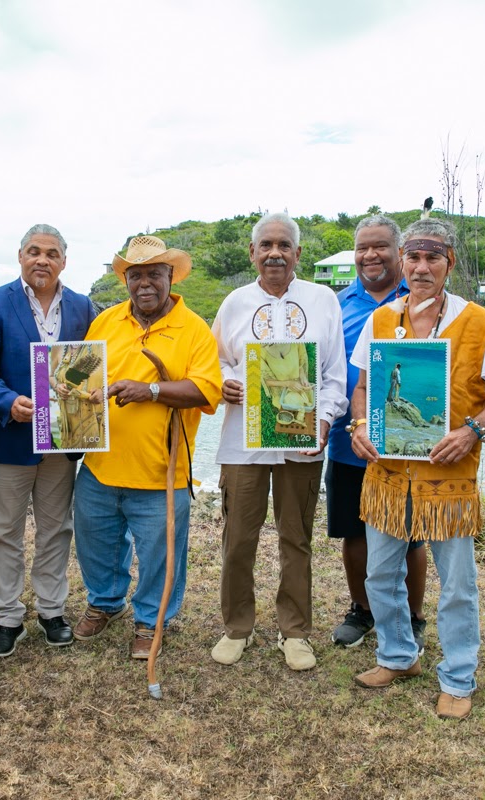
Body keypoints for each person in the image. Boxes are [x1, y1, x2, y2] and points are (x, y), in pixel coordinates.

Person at [348, 217, 485, 720]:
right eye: (414, 258)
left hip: (448, 478)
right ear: (403, 259)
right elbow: (362, 387)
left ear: (449, 263)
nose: (422, 268)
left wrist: (472, 431)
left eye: (434, 258)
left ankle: (459, 677)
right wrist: (359, 425)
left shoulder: (478, 322)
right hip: (388, 475)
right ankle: (399, 656)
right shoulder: (381, 321)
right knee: (380, 574)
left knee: (458, 585)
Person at [72, 235, 222, 659]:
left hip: (162, 471)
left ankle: (151, 619)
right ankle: (105, 602)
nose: (145, 284)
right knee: (96, 542)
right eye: (135, 275)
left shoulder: (193, 328)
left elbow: (207, 390)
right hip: (101, 466)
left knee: (160, 555)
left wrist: (151, 389)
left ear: (170, 276)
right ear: (125, 279)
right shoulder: (106, 322)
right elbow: (79, 376)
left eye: (154, 274)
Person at [211, 212, 347, 671]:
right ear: (252, 253)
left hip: (300, 444)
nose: (274, 253)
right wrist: (228, 381)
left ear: (297, 253)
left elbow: (333, 375)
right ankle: (237, 627)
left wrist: (325, 421)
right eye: (265, 245)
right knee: (238, 539)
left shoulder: (323, 300)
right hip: (242, 445)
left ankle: (295, 632)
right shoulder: (233, 303)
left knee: (296, 539)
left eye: (283, 245)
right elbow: (217, 362)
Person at [0, 224, 99, 658]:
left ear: (64, 260)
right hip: (10, 436)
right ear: (20, 256)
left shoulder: (83, 307)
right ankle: (6, 617)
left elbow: (92, 362)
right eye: (34, 251)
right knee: (3, 530)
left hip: (63, 438)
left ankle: (51, 610)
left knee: (57, 528)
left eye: (52, 253)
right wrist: (6, 400)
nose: (43, 260)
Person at [324, 216, 429, 652]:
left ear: (399, 252)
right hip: (349, 440)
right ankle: (362, 610)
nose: (371, 255)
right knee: (354, 529)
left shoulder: (423, 299)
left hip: (405, 445)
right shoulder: (336, 303)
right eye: (363, 247)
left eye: (381, 246)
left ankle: (414, 615)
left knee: (409, 533)